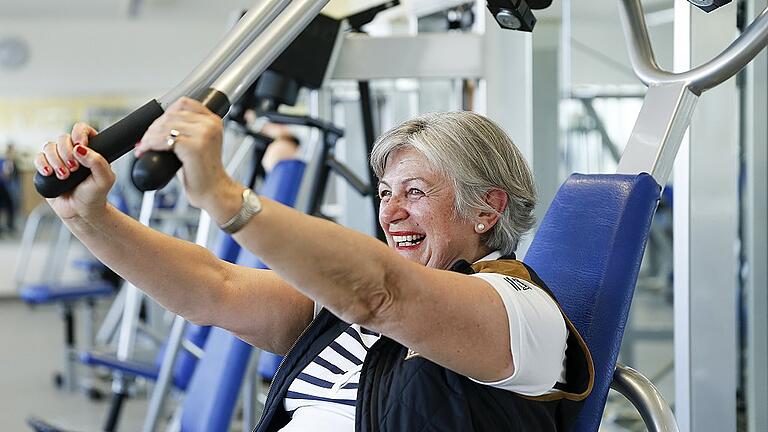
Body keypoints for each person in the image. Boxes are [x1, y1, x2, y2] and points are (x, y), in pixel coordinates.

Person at [35, 98, 593, 431]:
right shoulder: (347, 314)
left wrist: (226, 197)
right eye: (384, 193)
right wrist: (89, 216)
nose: (391, 213)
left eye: (416, 192)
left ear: (486, 209)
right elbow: (212, 287)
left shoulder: (521, 316)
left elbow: (385, 294)